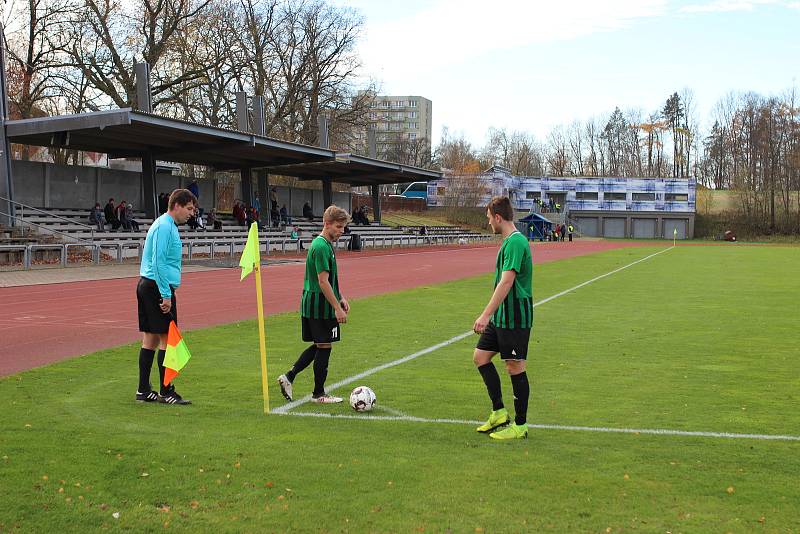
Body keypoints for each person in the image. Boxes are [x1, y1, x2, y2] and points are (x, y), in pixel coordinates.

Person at [472, 196, 533, 440]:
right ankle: (498, 411)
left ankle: (520, 425)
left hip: (515, 316)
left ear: (498, 217)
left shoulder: (516, 242)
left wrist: (485, 314)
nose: (488, 223)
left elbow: (507, 281)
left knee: (514, 366)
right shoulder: (508, 242)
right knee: (480, 357)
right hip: (502, 316)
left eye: (488, 218)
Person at [277, 205, 351, 404]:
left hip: (317, 303)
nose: (341, 231)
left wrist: (341, 296)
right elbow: (322, 281)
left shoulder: (325, 245)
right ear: (326, 224)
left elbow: (330, 280)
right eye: (338, 227)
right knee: (324, 346)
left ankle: (289, 377)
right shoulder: (320, 246)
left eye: (343, 227)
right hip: (319, 305)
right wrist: (336, 307)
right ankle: (318, 394)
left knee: (321, 344)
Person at [135, 188, 197, 406]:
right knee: (168, 339)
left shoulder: (166, 225)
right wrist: (165, 294)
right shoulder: (164, 227)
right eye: (189, 208)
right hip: (156, 288)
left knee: (150, 338)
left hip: (150, 285)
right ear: (177, 205)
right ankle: (166, 390)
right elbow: (158, 262)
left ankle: (144, 390)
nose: (191, 213)